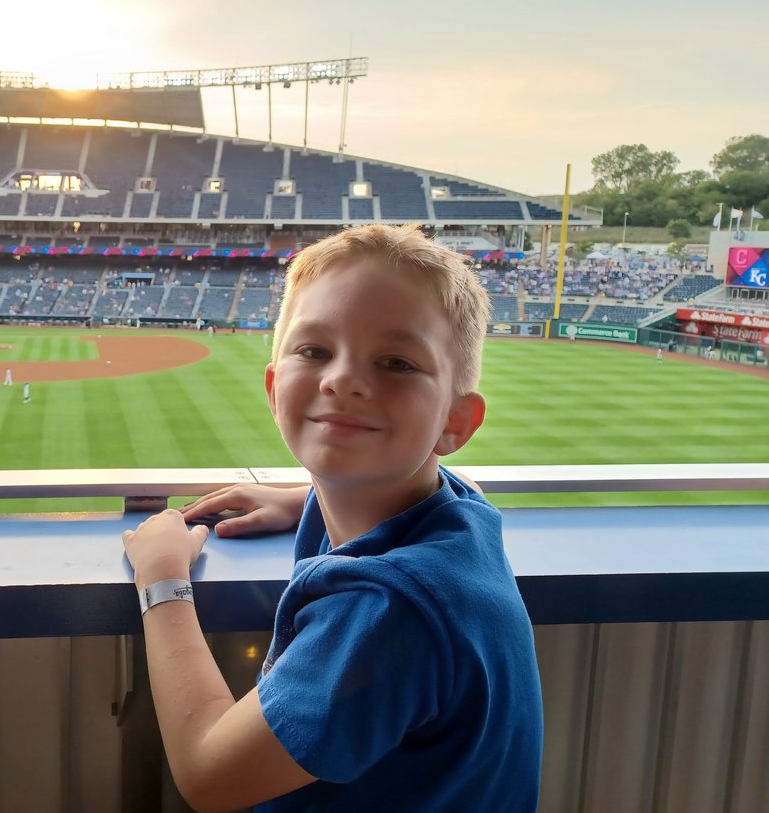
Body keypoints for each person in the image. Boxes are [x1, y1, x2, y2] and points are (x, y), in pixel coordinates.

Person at [121, 223, 542, 811]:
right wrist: (311, 494)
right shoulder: (455, 517)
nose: (342, 379)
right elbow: (459, 481)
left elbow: (208, 774)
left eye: (395, 362)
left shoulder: (391, 610)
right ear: (275, 388)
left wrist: (161, 576)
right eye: (314, 351)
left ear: (456, 422)